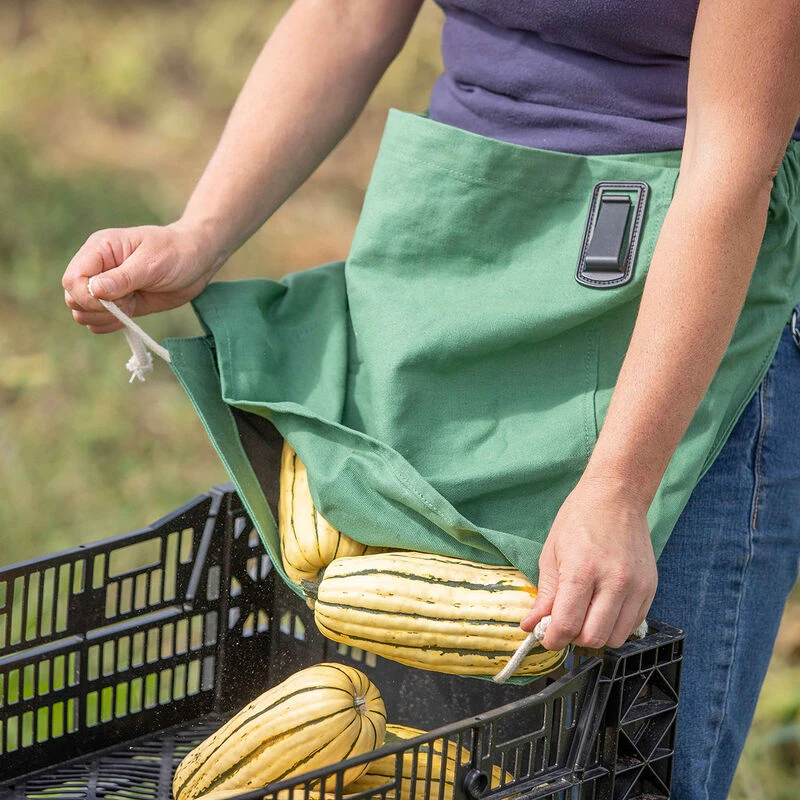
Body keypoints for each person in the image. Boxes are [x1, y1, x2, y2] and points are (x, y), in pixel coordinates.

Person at [62, 2, 800, 798]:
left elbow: (730, 164)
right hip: (455, 241)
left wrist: (619, 486)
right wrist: (200, 231)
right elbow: (348, 14)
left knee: (614, 766)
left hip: (676, 297)